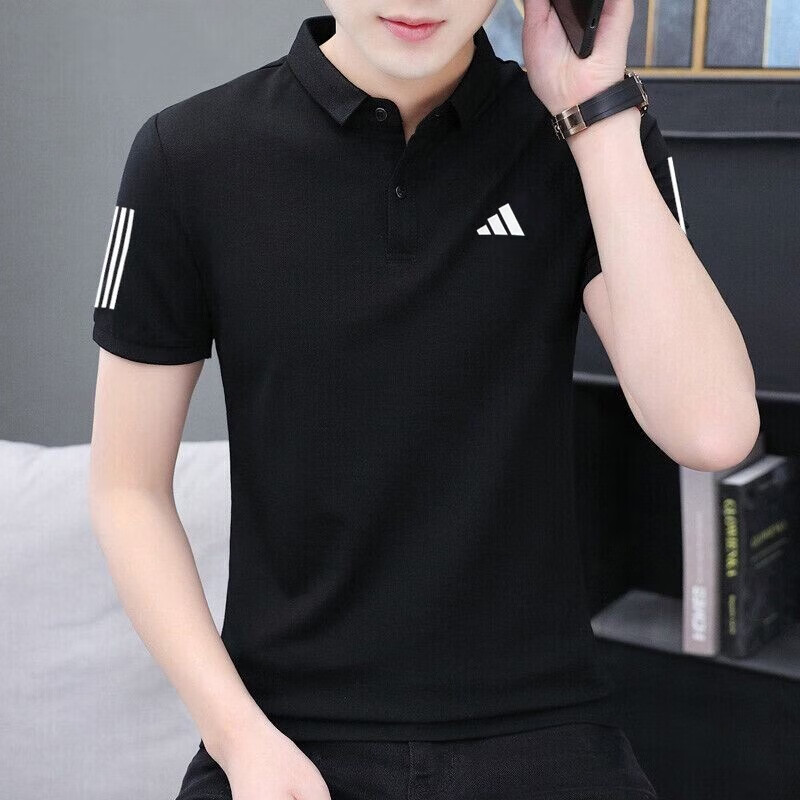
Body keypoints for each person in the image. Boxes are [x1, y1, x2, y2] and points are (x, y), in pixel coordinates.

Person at [89, 1, 758, 799]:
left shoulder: (589, 134)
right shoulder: (186, 156)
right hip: (286, 737)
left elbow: (712, 430)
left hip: (545, 731)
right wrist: (238, 737)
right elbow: (127, 489)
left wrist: (595, 116)